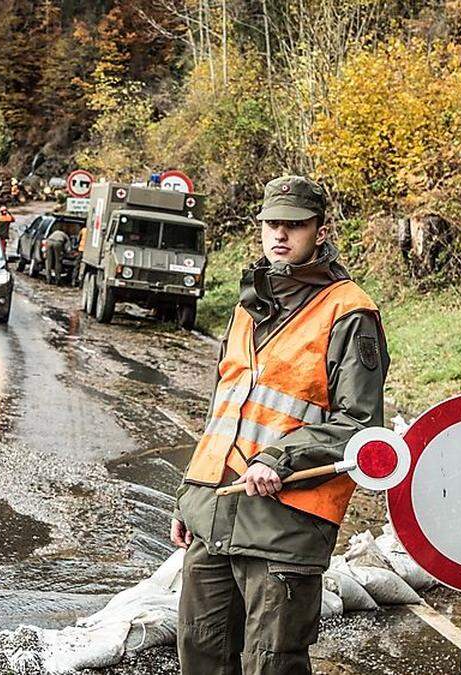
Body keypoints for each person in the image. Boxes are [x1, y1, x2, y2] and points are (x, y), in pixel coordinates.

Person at [171, 175, 390, 675]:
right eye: (273, 223)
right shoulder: (249, 306)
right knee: (199, 653)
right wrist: (191, 495)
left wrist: (279, 457)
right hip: (215, 515)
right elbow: (224, 410)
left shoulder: (349, 310)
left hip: (286, 526)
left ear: (319, 229)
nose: (281, 235)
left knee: (271, 664)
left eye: (295, 225)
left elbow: (359, 425)